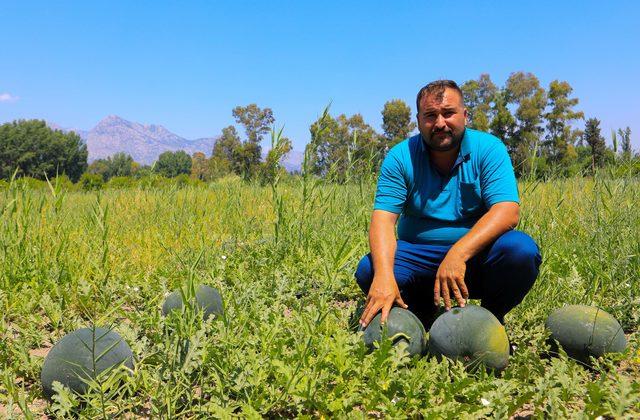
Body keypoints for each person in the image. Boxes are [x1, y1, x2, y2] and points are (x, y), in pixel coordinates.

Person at [356, 80, 541, 328]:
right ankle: (419, 310)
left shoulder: (489, 149)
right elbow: (383, 220)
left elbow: (507, 212)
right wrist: (384, 276)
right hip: (418, 255)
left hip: (474, 259)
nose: (440, 123)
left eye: (448, 113)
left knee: (520, 251)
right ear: (419, 121)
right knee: (371, 270)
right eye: (430, 116)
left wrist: (458, 253)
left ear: (464, 115)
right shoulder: (400, 157)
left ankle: (490, 320)